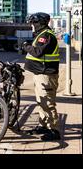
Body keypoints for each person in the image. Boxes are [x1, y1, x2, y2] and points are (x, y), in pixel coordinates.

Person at [23, 12, 61, 141]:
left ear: (40, 23)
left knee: (48, 103)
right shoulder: (41, 34)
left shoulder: (46, 35)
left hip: (46, 75)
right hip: (41, 74)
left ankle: (53, 130)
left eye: (33, 23)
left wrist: (26, 46)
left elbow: (37, 52)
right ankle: (43, 125)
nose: (32, 26)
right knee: (41, 102)